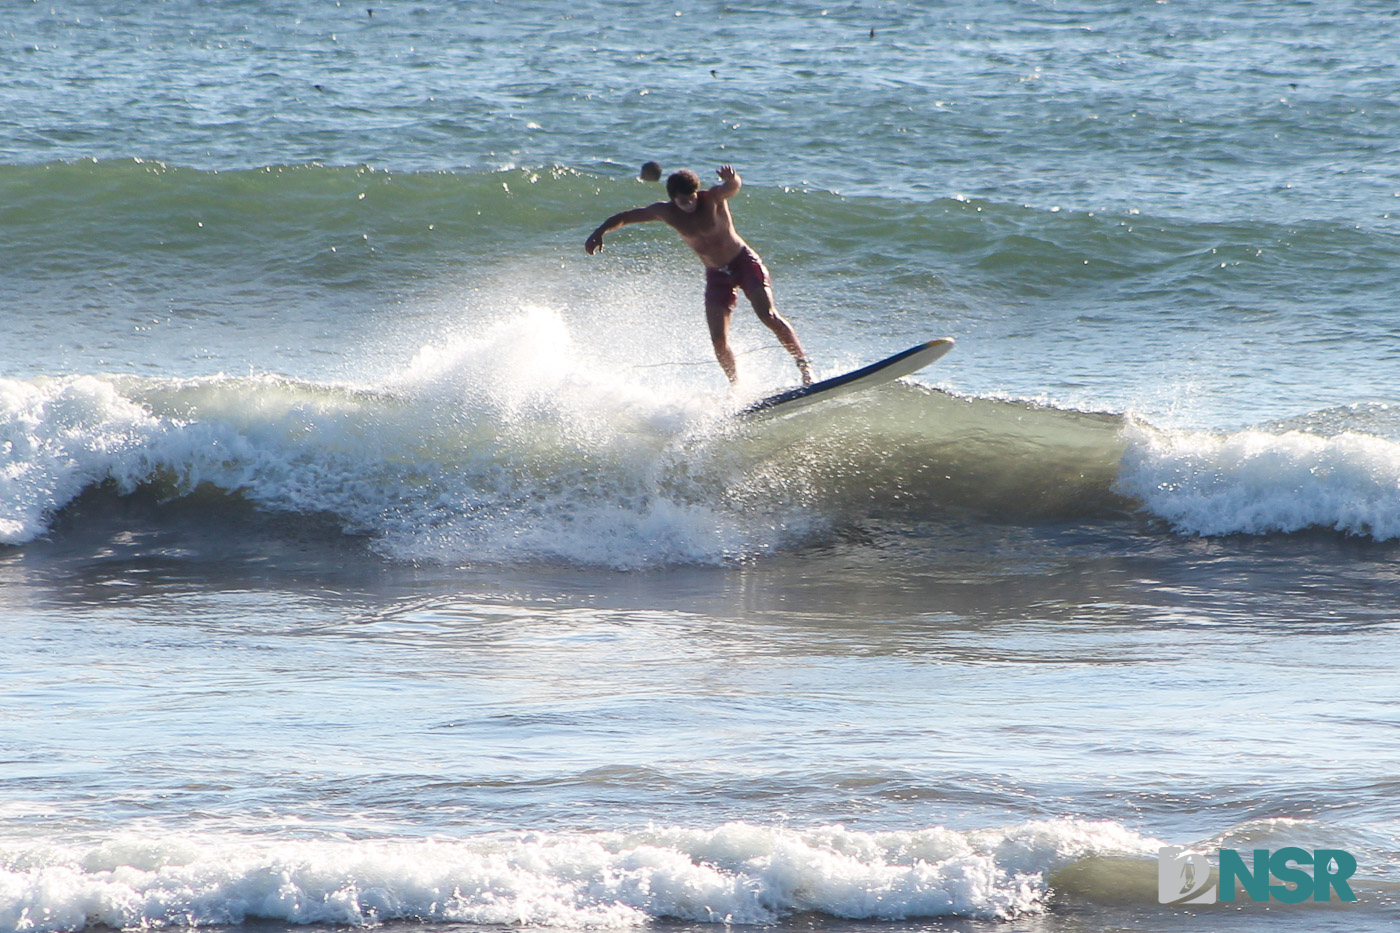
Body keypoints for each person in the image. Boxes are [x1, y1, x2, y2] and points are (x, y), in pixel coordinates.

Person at [584, 164, 812, 386]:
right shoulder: (665, 212)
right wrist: (599, 232)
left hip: (743, 262)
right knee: (718, 340)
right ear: (673, 199)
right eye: (684, 201)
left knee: (768, 315)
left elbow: (733, 187)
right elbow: (626, 217)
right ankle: (737, 388)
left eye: (692, 198)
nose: (690, 204)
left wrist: (732, 179)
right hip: (717, 276)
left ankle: (804, 366)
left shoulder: (712, 199)